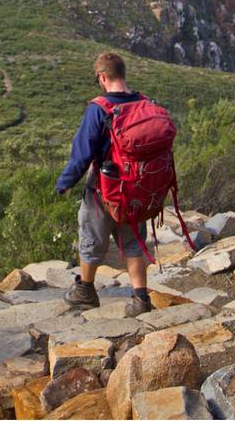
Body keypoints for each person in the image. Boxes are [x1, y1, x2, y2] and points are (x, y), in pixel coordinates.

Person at [56, 52, 152, 317]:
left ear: (102, 77)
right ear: (123, 74)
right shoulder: (143, 103)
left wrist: (64, 183)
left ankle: (85, 291)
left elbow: (82, 154)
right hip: (138, 187)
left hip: (104, 186)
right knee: (133, 241)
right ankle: (141, 299)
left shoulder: (99, 108)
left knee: (91, 237)